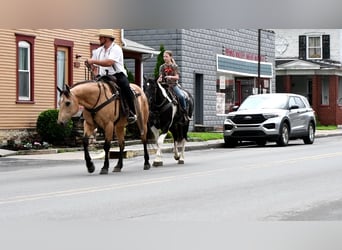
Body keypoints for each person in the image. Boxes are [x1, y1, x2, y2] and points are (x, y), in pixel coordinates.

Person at [86, 29, 136, 124]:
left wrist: (93, 61)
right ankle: (88, 113)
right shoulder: (98, 51)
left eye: (101, 37)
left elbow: (109, 62)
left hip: (117, 75)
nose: (99, 39)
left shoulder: (116, 49)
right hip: (103, 76)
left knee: (126, 87)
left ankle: (132, 112)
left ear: (107, 38)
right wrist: (93, 69)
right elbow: (94, 65)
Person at [157, 50, 190, 121]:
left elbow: (177, 77)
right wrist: (159, 79)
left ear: (170, 57)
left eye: (166, 56)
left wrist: (170, 77)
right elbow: (160, 76)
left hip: (173, 85)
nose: (164, 58)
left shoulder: (174, 66)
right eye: (164, 56)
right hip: (164, 85)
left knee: (181, 96)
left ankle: (184, 112)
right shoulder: (162, 67)